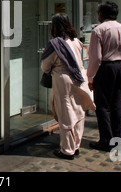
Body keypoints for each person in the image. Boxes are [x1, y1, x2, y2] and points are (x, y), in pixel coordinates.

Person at [41, 13, 96, 160]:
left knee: (65, 112)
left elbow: (45, 65)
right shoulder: (76, 40)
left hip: (63, 80)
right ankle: (76, 145)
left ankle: (67, 149)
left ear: (55, 26)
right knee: (78, 112)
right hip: (79, 78)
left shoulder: (55, 43)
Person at [87, 1, 121, 152]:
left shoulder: (99, 30)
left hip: (105, 68)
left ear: (102, 14)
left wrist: (91, 77)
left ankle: (106, 141)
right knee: (118, 105)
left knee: (103, 106)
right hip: (120, 67)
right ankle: (117, 140)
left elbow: (95, 57)